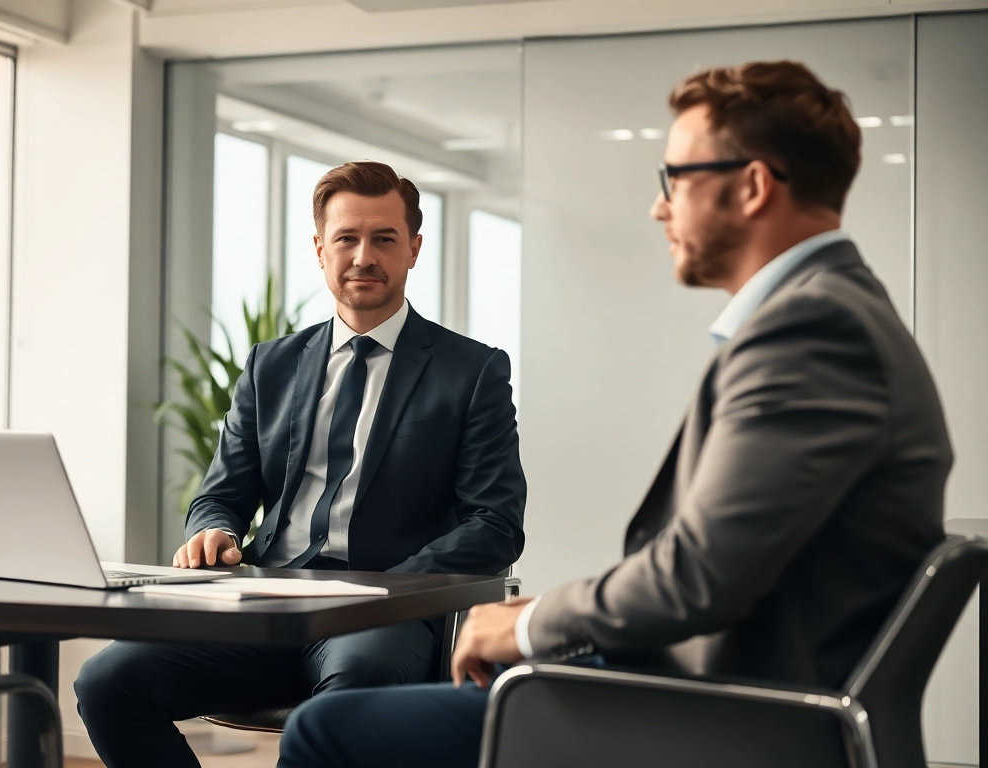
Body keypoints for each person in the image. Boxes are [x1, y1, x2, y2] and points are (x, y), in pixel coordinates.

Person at [277, 60, 953, 768]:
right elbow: (715, 562)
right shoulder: (830, 312)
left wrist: (535, 624)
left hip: (725, 716)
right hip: (713, 687)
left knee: (325, 732)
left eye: (675, 179)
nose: (660, 207)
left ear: (752, 186)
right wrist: (553, 622)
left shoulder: (811, 331)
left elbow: (696, 576)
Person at [74, 160, 527, 768]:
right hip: (270, 602)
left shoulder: (471, 371)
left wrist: (383, 587)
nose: (364, 255)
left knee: (335, 715)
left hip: (381, 617)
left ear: (414, 249)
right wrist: (214, 530)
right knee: (107, 680)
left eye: (384, 239)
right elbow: (220, 495)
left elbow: (495, 523)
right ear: (320, 248)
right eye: (346, 238)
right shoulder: (270, 365)